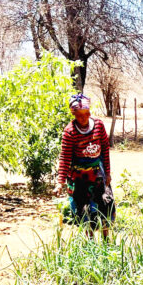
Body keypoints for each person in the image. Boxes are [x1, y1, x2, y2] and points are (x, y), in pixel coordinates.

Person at [57, 93, 114, 237]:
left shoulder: (99, 126)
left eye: (86, 114)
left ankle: (106, 239)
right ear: (74, 114)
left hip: (98, 173)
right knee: (84, 209)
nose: (83, 118)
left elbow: (105, 150)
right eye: (79, 115)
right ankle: (90, 243)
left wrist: (107, 173)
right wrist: (60, 182)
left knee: (105, 204)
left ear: (89, 112)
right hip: (79, 177)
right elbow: (65, 157)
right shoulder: (69, 132)